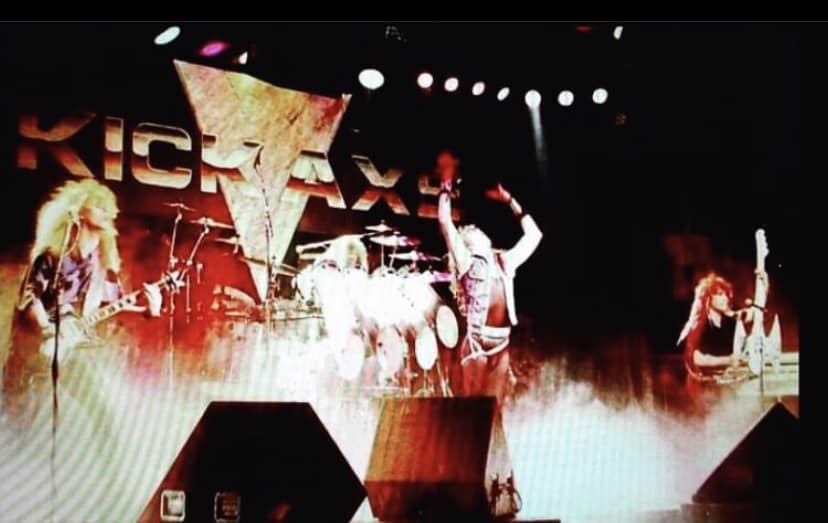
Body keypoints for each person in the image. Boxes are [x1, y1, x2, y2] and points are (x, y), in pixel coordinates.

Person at [2, 178, 164, 430]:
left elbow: (114, 308)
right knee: (16, 425)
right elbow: (31, 299)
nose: (105, 210)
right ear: (78, 211)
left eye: (107, 206)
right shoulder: (50, 257)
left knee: (104, 420)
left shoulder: (102, 266)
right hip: (30, 354)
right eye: (97, 204)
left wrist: (148, 311)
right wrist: (48, 330)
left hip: (70, 351)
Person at [437, 150, 543, 404]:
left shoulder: (504, 262)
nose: (475, 230)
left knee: (495, 409)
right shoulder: (467, 261)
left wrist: (510, 201)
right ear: (467, 241)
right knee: (473, 408)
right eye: (470, 231)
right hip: (477, 343)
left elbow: (535, 236)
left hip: (501, 342)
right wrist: (446, 184)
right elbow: (445, 222)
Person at [677, 270, 770, 382]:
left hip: (722, 380)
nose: (725, 298)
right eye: (720, 294)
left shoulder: (730, 317)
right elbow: (697, 359)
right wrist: (728, 360)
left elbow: (756, 312)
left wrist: (764, 285)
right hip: (700, 383)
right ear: (708, 298)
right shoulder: (699, 324)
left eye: (726, 294)